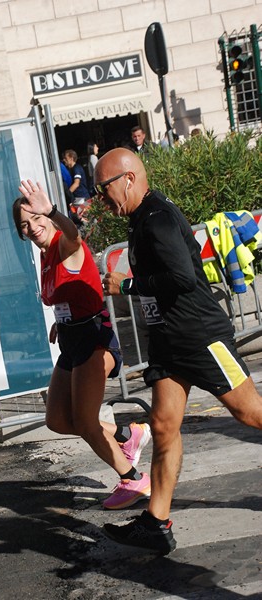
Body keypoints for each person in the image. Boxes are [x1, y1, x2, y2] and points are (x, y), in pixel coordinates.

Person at [95, 148, 262, 554]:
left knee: (249, 412)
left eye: (104, 189)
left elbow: (182, 278)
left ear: (129, 179)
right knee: (165, 426)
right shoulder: (140, 219)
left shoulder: (158, 219)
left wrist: (127, 286)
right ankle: (156, 523)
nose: (102, 199)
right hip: (170, 342)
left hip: (201, 337)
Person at [12, 179, 151, 510]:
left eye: (36, 218)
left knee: (86, 422)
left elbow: (75, 237)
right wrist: (60, 324)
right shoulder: (46, 256)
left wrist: (54, 212)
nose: (33, 227)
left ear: (46, 215)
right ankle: (124, 435)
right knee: (58, 419)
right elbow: (69, 294)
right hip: (72, 340)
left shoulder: (63, 243)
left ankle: (134, 480)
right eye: (25, 225)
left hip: (94, 341)